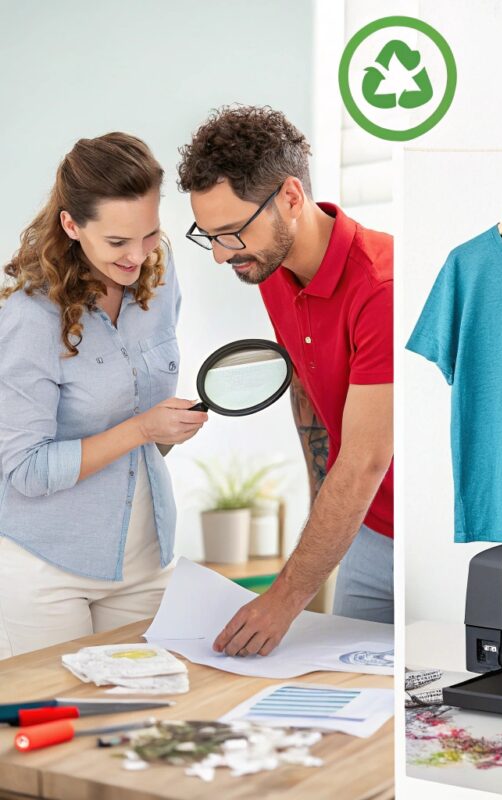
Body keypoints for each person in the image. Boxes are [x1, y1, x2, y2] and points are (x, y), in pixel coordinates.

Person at [177, 105, 393, 657]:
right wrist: (324, 520)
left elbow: (368, 458)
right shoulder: (272, 269)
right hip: (367, 531)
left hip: (436, 542)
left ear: (291, 198)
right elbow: (307, 388)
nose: (223, 255)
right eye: (210, 236)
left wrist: (284, 596)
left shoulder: (383, 287)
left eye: (232, 233)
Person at [0, 133, 208, 658]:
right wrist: (141, 430)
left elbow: (143, 402)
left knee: (150, 714)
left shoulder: (158, 276)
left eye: (150, 234)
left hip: (144, 554)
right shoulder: (30, 316)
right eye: (118, 243)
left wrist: (167, 428)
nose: (137, 255)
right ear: (72, 225)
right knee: (64, 722)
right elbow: (24, 469)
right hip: (45, 567)